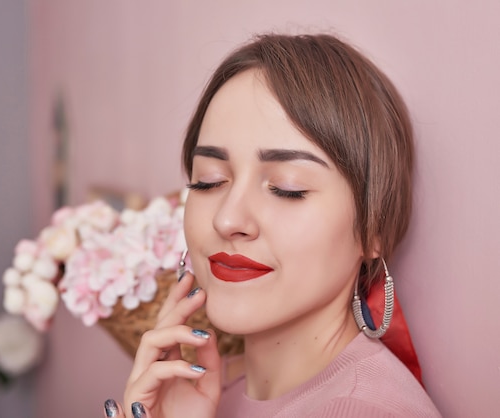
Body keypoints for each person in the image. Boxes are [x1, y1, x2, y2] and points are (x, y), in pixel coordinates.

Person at [103, 33, 440, 417]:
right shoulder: (206, 393)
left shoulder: (359, 409)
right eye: (208, 180)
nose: (227, 218)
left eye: (286, 188)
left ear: (373, 226)